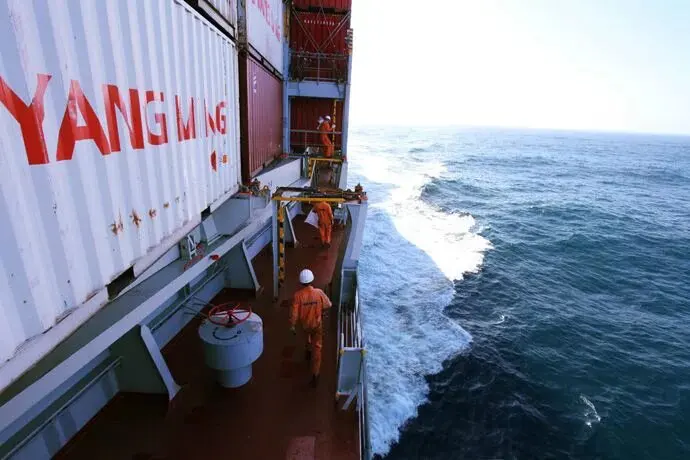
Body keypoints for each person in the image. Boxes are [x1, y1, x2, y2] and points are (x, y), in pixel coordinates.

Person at [290, 269, 332, 387]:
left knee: (307, 335)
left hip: (305, 325)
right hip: (317, 325)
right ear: (312, 279)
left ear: (301, 282)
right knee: (317, 348)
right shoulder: (319, 292)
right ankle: (315, 375)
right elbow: (328, 304)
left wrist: (292, 325)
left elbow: (294, 313)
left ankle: (308, 351)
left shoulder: (297, 296)